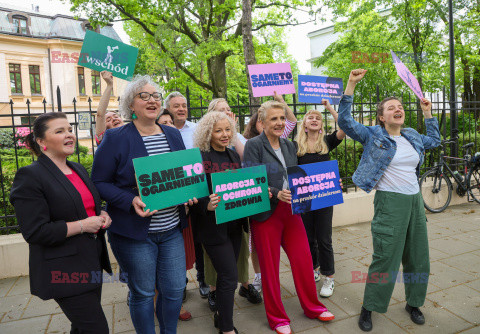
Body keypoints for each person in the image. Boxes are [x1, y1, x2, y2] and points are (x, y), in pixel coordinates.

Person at [337, 69, 440, 332]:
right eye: (391, 108)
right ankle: (369, 306)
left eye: (401, 107)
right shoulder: (374, 135)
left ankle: (414, 303)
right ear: (381, 117)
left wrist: (427, 112)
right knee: (386, 257)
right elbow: (346, 123)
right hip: (389, 203)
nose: (398, 110)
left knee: (419, 256)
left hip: (415, 202)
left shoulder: (412, 135)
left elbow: (435, 140)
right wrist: (350, 85)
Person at [92, 76, 196, 334]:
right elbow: (99, 181)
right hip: (135, 234)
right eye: (144, 96)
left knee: (173, 291)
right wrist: (130, 200)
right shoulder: (116, 137)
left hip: (172, 229)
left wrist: (189, 191)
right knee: (143, 293)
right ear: (131, 104)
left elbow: (180, 174)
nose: (152, 100)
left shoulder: (172, 134)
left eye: (156, 96)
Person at [10, 112, 112, 333]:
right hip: (63, 270)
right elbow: (35, 232)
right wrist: (83, 225)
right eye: (59, 131)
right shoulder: (30, 176)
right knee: (96, 328)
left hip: (91, 262)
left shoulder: (78, 168)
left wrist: (102, 214)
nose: (69, 135)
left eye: (69, 130)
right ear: (41, 141)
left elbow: (85, 206)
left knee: (83, 327)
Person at [243, 100, 335, 334]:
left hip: (292, 211)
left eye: (282, 118)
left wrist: (327, 184)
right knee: (270, 268)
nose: (279, 122)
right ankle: (277, 318)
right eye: (274, 119)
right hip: (266, 214)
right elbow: (252, 179)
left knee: (304, 260)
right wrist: (275, 192)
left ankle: (313, 306)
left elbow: (302, 176)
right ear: (262, 122)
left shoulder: (289, 145)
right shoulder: (254, 145)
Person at [191, 111, 246, 334]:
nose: (225, 134)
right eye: (218, 130)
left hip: (234, 225)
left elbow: (241, 187)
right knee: (230, 276)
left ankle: (221, 314)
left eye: (228, 130)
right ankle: (226, 328)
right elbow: (192, 194)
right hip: (213, 229)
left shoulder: (233, 156)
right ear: (208, 133)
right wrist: (206, 204)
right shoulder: (200, 158)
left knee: (227, 277)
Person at [204, 98, 262, 309]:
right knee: (215, 258)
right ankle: (213, 291)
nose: (226, 113)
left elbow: (246, 164)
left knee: (239, 251)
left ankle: (244, 285)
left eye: (229, 111)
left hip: (237, 210)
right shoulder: (203, 151)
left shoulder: (233, 144)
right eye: (221, 111)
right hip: (214, 217)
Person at [294, 102, 346, 298]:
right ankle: (314, 269)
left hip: (325, 198)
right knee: (308, 238)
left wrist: (329, 107)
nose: (314, 119)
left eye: (318, 117)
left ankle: (329, 277)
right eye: (310, 117)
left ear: (321, 125)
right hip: (304, 199)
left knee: (324, 239)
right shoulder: (296, 146)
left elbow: (344, 127)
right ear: (304, 124)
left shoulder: (327, 142)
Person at [164, 91, 210, 299]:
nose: (181, 109)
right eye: (176, 106)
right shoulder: (161, 129)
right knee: (178, 241)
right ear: (168, 109)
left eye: (184, 105)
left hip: (197, 193)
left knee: (199, 239)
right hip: (172, 195)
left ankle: (202, 280)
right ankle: (179, 283)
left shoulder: (197, 128)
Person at [157, 109, 193, 321]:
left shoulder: (180, 150)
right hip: (152, 222)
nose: (169, 125)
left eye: (171, 122)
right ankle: (156, 302)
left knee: (177, 268)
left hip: (178, 218)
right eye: (164, 122)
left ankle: (175, 303)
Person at [95, 71, 124, 145]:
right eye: (108, 120)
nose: (114, 119)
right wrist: (109, 85)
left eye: (116, 116)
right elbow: (100, 115)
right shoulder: (105, 140)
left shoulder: (133, 134)